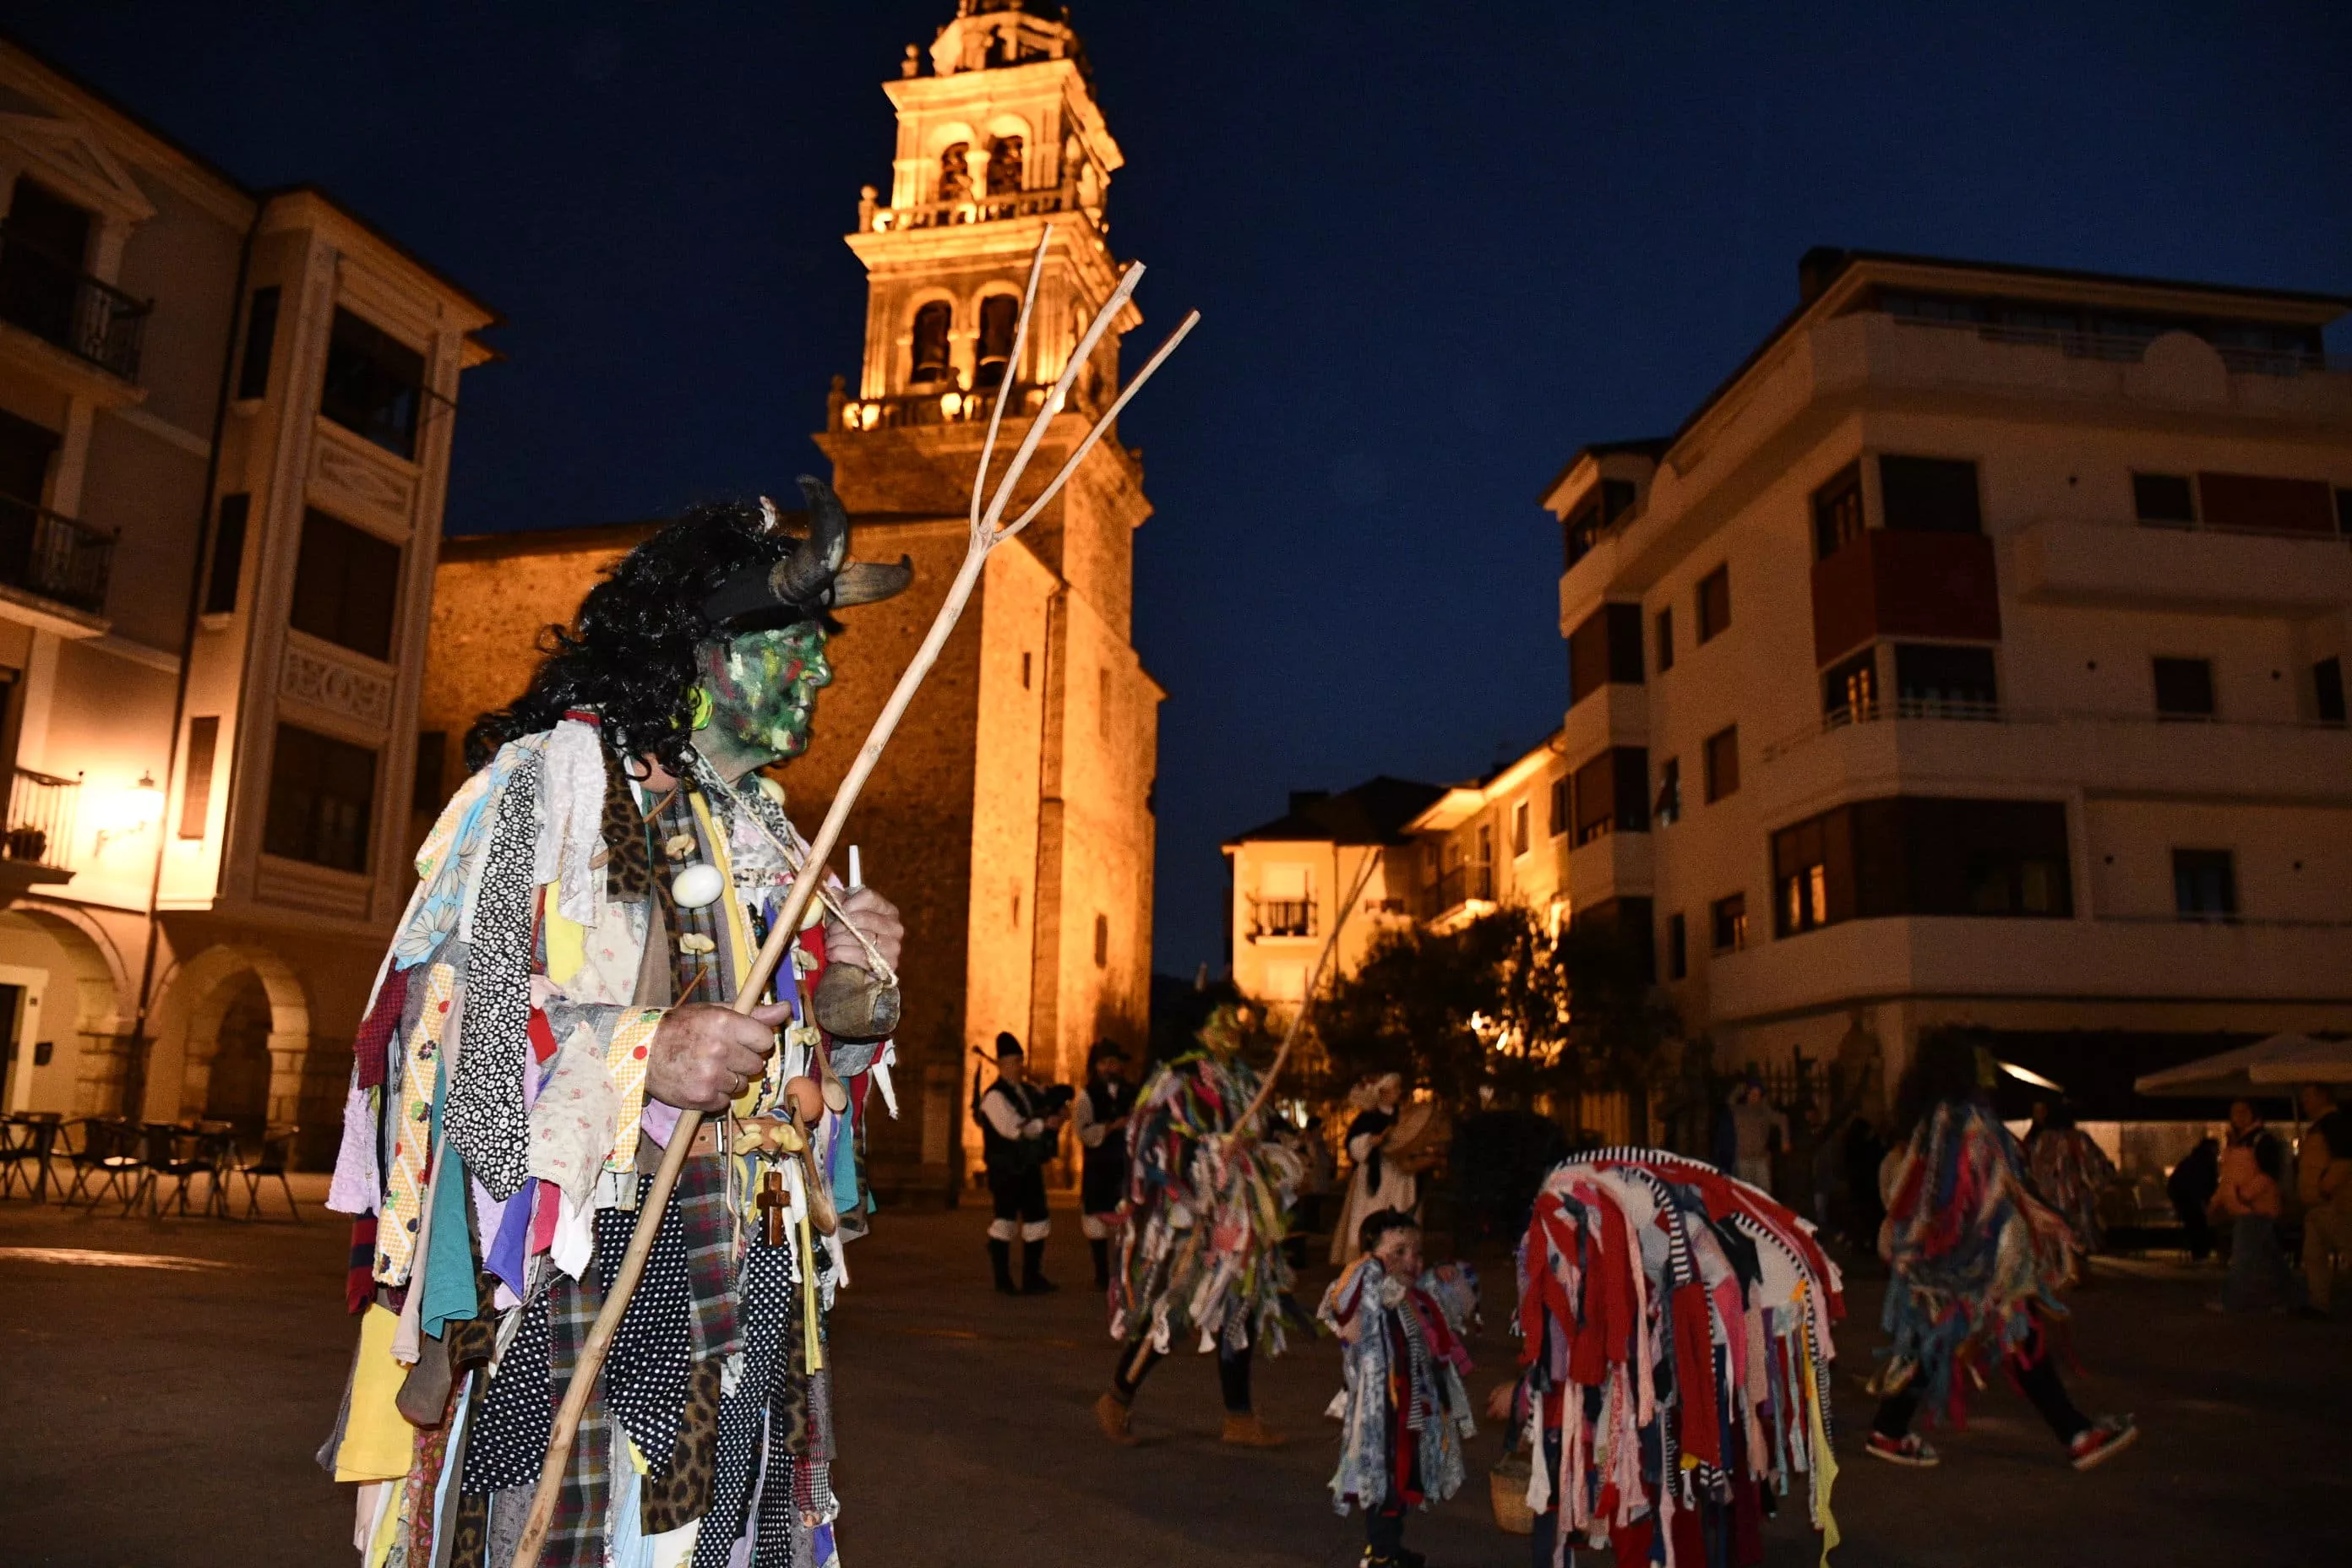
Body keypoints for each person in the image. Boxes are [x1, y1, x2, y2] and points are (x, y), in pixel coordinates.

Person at [319, 480, 912, 1564]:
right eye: (794, 639)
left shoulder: (770, 837)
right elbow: (459, 1051)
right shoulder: (546, 787)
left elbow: (807, 1100)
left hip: (744, 1285)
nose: (824, 668)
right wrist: (649, 1051)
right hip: (584, 1285)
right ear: (701, 649)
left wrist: (849, 1016)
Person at [1868, 1029, 2137, 1473]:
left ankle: (1889, 1430)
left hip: (1938, 1263)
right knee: (2016, 1338)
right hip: (1975, 1265)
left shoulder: (1927, 1122)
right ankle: (2078, 1435)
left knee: (1943, 1343)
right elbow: (1992, 1193)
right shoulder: (1967, 1122)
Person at [1095, 1004, 1298, 1448]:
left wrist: (1274, 1144)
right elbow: (1152, 1135)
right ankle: (1117, 1395)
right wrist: (1206, 1151)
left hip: (1240, 1216)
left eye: (1236, 1022)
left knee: (1238, 1310)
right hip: (1195, 1214)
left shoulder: (1245, 1079)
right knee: (1179, 1311)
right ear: (1201, 1029)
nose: (1232, 1031)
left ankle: (1239, 1417)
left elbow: (1263, 1126)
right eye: (1220, 1021)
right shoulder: (1179, 1077)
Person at [1320, 1210, 1476, 1568]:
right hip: (1379, 1415)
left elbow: (1460, 1306)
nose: (1410, 1260)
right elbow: (1342, 1312)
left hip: (1412, 1409)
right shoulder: (1365, 1295)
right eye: (1398, 1251)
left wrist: (1452, 1279)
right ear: (1370, 1256)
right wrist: (1371, 1266)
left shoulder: (1415, 1298)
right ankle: (1381, 1554)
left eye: (1416, 1252)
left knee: (1404, 1478)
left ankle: (1390, 1547)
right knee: (1382, 1480)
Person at [977, 1032, 1067, 1295]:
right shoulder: (994, 1097)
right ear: (1002, 1064)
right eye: (1015, 1062)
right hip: (1005, 1169)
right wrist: (1044, 1124)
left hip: (1028, 1166)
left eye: (1021, 1061)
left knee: (1037, 1219)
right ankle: (1003, 1281)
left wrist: (1056, 1108)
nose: (1020, 1067)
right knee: (1005, 1220)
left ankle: (1032, 1277)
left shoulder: (1026, 1091)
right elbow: (1013, 1129)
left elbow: (1046, 1106)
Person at [2209, 1099, 2296, 1314]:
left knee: (2243, 1257)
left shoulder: (2261, 1140)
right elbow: (2228, 1179)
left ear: (2254, 1113)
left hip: (2256, 1208)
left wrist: (2244, 1197)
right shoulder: (2237, 1143)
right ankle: (2293, 1298)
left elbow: (2269, 1175)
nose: (2238, 1116)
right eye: (2234, 1112)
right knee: (2272, 1259)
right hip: (2245, 1207)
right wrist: (2217, 1202)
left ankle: (2232, 1300)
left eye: (2243, 1111)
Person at [1330, 1073, 1418, 1266]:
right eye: (1394, 1088)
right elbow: (1353, 1144)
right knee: (1371, 1212)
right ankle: (1368, 1256)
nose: (1398, 1092)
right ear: (1383, 1092)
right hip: (1374, 1174)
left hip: (1399, 1173)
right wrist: (1370, 1140)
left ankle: (1398, 1254)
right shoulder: (1368, 1117)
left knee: (1399, 1211)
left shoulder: (1403, 1116)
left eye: (1398, 1088)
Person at [1070, 1040, 1136, 1292]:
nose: (1113, 1067)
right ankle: (1101, 1273)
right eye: (1107, 1062)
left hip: (1125, 1165)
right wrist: (1110, 1127)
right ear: (1097, 1066)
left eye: (1116, 1062)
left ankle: (1124, 1272)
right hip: (1099, 1166)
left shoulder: (1132, 1092)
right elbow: (1083, 1130)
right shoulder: (1087, 1095)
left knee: (1126, 1219)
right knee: (1096, 1218)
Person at [2024, 1102, 2120, 1256]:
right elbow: (2100, 1168)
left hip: (2050, 1208)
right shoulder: (2079, 1139)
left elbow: (2034, 1172)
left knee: (2057, 1257)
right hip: (2077, 1208)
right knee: (2077, 1254)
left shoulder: (2042, 1140)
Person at [2297, 1084, 2352, 1319]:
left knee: (2346, 1247)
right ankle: (2318, 1302)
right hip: (2317, 1202)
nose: (2304, 1102)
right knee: (2313, 1254)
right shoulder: (2320, 1126)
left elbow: (2344, 1160)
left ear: (2324, 1096)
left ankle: (2319, 1302)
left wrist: (2324, 1188)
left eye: (2309, 1097)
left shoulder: (2334, 1123)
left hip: (2332, 1202)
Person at [1726, 1077, 1788, 1193]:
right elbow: (1730, 1101)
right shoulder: (1740, 1110)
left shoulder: (1764, 1111)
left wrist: (1785, 1141)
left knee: (1764, 1194)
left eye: (1758, 1094)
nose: (1755, 1097)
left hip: (1761, 1159)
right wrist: (1741, 1088)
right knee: (1747, 1193)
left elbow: (1782, 1119)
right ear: (1748, 1094)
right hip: (1744, 1159)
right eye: (1752, 1093)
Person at [2167, 1134, 2221, 1261]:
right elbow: (2209, 1185)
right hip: (2191, 1199)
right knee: (2199, 1224)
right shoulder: (2206, 1162)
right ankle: (2201, 1252)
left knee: (2194, 1224)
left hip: (2183, 1198)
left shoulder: (2192, 1159)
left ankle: (2198, 1252)